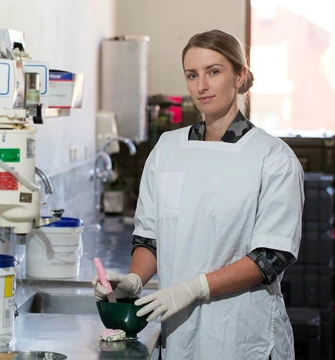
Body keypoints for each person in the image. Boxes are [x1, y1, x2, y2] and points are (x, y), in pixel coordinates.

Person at [92, 29, 304, 360]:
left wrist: (195, 288)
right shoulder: (167, 150)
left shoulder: (272, 158)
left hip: (244, 333)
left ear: (240, 76)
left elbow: (271, 257)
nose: (201, 85)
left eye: (214, 71)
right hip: (179, 331)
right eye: (192, 75)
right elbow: (150, 240)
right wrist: (134, 280)